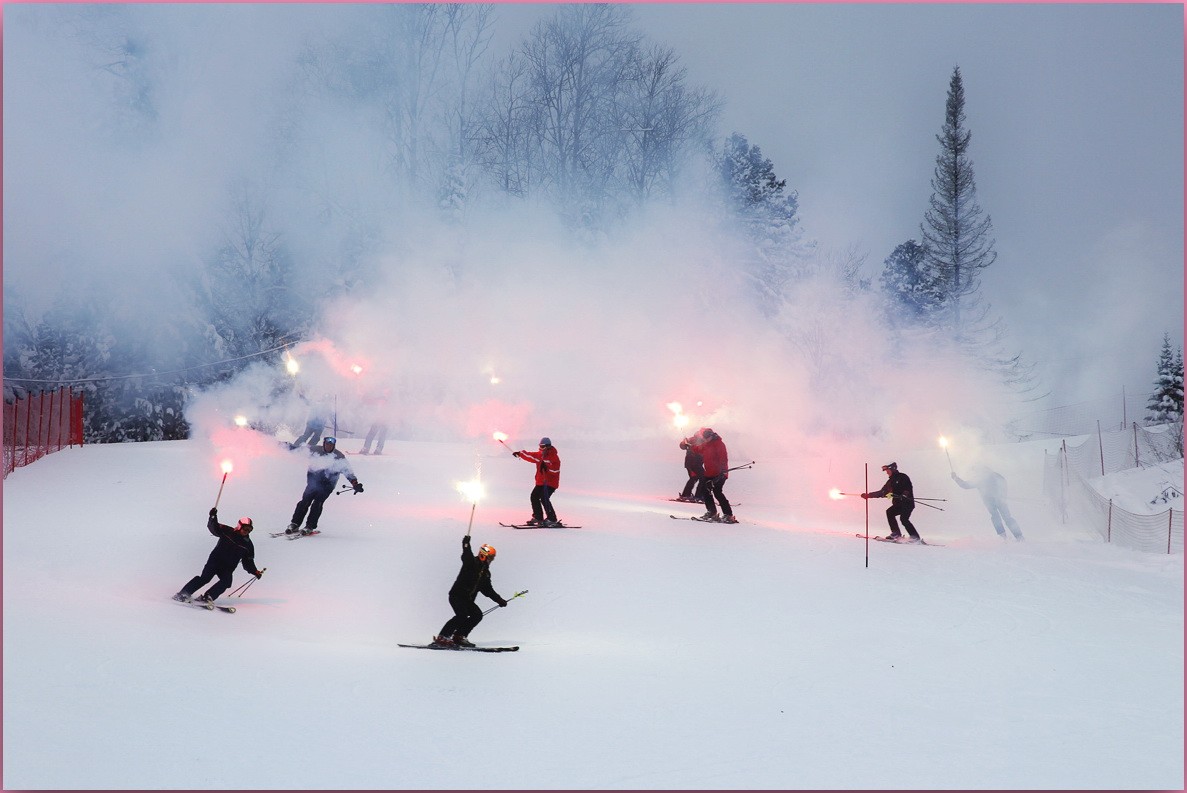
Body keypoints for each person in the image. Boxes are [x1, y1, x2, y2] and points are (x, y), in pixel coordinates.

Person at [173, 508, 263, 603]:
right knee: (205, 578)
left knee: (226, 582)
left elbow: (248, 561)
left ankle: (208, 597)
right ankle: (183, 593)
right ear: (240, 526)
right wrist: (213, 517)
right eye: (245, 528)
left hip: (228, 567)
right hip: (215, 561)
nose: (247, 531)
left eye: (249, 530)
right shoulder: (228, 531)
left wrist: (255, 571)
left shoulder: (248, 545)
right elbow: (214, 528)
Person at [433, 536, 508, 647]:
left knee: (477, 615)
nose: (491, 560)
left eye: (493, 558)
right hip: (457, 596)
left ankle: (459, 636)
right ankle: (442, 637)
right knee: (461, 615)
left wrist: (499, 600)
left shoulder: (485, 573)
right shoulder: (471, 563)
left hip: (467, 599)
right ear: (484, 555)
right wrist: (466, 544)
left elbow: (487, 590)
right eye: (490, 557)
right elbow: (466, 555)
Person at [287, 436, 363, 535]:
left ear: (333, 446)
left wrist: (355, 483)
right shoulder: (314, 450)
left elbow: (347, 471)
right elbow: (299, 450)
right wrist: (285, 446)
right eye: (327, 444)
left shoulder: (339, 456)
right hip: (313, 482)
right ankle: (295, 523)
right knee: (305, 501)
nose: (328, 446)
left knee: (317, 503)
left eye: (331, 445)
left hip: (328, 485)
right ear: (324, 444)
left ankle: (310, 525)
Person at [952, 464, 1024, 541]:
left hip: (990, 502)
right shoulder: (996, 475)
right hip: (1001, 500)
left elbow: (965, 485)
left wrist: (956, 478)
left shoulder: (980, 477)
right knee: (1007, 518)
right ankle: (1019, 537)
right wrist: (1003, 496)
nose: (974, 473)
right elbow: (1004, 483)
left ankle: (1003, 537)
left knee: (995, 517)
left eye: (974, 471)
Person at [861, 462, 922, 543]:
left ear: (892, 469)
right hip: (898, 504)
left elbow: (908, 487)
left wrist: (904, 494)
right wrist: (868, 495)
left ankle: (915, 537)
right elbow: (882, 492)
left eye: (888, 470)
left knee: (904, 519)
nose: (887, 472)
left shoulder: (903, 477)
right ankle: (896, 533)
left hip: (907, 503)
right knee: (890, 512)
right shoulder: (890, 482)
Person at [513, 437, 562, 527]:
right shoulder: (541, 455)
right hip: (541, 482)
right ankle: (538, 517)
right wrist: (520, 454)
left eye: (542, 446)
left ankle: (552, 519)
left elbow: (555, 471)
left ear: (548, 446)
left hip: (550, 483)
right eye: (540, 446)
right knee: (534, 496)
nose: (541, 448)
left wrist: (547, 467)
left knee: (544, 497)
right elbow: (531, 456)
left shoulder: (553, 456)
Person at [695, 428, 737, 523]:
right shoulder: (706, 444)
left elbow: (723, 458)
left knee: (717, 492)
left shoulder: (719, 444)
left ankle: (728, 515)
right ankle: (712, 512)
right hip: (709, 473)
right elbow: (698, 449)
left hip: (720, 474)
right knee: (705, 490)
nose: (705, 439)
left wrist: (722, 472)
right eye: (704, 438)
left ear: (711, 436)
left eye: (707, 438)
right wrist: (688, 446)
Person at [677, 436, 705, 502]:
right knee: (702, 478)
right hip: (693, 463)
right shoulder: (695, 439)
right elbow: (682, 446)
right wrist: (684, 443)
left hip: (692, 463)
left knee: (694, 478)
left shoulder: (693, 439)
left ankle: (686, 495)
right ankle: (698, 496)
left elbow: (682, 446)